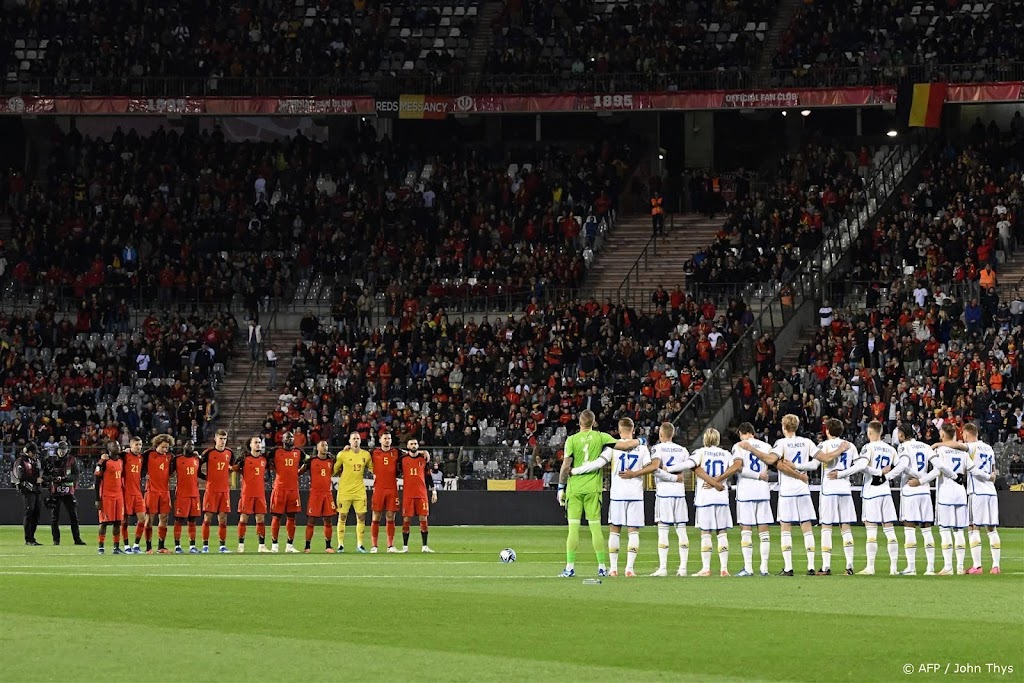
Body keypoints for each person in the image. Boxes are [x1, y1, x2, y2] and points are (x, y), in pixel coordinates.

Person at [570, 418, 658, 577]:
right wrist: (635, 474)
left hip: (617, 494)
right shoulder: (642, 447)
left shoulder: (614, 446)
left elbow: (597, 463)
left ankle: (613, 568)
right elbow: (651, 467)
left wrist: (575, 471)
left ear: (619, 430)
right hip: (635, 494)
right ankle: (630, 568)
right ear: (633, 429)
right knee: (633, 532)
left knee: (614, 531)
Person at [557, 409, 639, 578]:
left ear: (579, 423)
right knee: (595, 528)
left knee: (573, 528)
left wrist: (560, 487)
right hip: (593, 488)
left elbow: (566, 466)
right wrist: (640, 440)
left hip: (575, 488)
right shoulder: (601, 436)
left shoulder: (571, 440)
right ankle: (602, 567)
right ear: (593, 423)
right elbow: (625, 445)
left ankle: (570, 567)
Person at [736, 414, 816, 576]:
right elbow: (815, 463)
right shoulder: (807, 442)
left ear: (783, 427)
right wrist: (800, 471)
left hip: (787, 492)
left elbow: (774, 461)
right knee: (806, 528)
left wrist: (751, 449)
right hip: (803, 490)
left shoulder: (780, 443)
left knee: (785, 528)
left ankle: (788, 568)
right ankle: (811, 567)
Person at [909, 424, 970, 575]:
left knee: (945, 529)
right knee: (959, 530)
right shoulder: (963, 452)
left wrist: (920, 481)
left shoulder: (940, 450)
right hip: (961, 493)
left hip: (946, 494)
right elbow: (973, 469)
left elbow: (937, 470)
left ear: (942, 435)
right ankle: (960, 567)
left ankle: (948, 566)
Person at [649, 422, 694, 577]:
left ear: (661, 435)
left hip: (664, 493)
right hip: (680, 494)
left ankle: (663, 568)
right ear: (672, 434)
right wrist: (677, 477)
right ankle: (683, 568)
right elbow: (689, 467)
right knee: (681, 530)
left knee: (663, 530)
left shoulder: (657, 448)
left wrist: (671, 476)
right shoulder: (683, 450)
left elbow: (655, 470)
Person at [688, 428, 734, 577]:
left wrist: (712, 482)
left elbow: (694, 468)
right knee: (722, 532)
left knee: (706, 533)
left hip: (705, 498)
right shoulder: (726, 454)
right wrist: (718, 482)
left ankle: (706, 568)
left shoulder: (700, 452)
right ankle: (724, 568)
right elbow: (735, 467)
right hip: (721, 496)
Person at [856, 421, 900, 575]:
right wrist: (886, 475)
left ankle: (870, 567)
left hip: (871, 493)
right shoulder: (890, 449)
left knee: (871, 529)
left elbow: (862, 466)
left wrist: (878, 473)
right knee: (889, 529)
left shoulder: (868, 447)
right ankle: (893, 568)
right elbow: (900, 466)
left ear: (870, 433)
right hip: (886, 492)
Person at [817, 420, 861, 575]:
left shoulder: (824, 445)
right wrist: (844, 473)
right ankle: (849, 566)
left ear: (827, 430)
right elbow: (859, 465)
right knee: (845, 527)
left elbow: (814, 464)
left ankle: (826, 566)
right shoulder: (851, 446)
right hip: (845, 489)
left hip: (829, 490)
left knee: (826, 527)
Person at [731, 423, 776, 577]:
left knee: (746, 530)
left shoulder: (738, 446)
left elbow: (738, 467)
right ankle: (764, 568)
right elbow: (771, 463)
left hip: (746, 492)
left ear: (743, 433)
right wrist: (760, 476)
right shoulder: (766, 446)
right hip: (763, 491)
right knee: (763, 531)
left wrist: (756, 475)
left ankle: (748, 568)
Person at [893, 425, 937, 575]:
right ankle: (930, 568)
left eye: (898, 434)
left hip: (910, 489)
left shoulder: (903, 447)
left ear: (903, 435)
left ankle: (911, 567)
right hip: (925, 491)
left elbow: (903, 467)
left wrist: (917, 478)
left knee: (909, 528)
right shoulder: (925, 446)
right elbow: (938, 468)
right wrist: (923, 479)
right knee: (926, 528)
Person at [963, 423, 1000, 574]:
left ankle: (977, 566)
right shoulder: (989, 448)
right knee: (991, 529)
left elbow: (958, 447)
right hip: (991, 492)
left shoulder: (972, 447)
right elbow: (994, 472)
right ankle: (996, 566)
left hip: (977, 492)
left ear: (966, 434)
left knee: (973, 527)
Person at [333, 432, 372, 553]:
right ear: (349, 441)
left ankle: (360, 545)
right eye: (353, 439)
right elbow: (333, 470)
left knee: (361, 516)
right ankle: (340, 544)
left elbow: (373, 470)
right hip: (344, 490)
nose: (355, 441)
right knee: (342, 516)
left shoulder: (366, 455)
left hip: (359, 490)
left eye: (357, 439)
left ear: (360, 441)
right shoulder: (342, 455)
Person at [399, 439, 437, 553]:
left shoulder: (423, 459)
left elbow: (429, 477)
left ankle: (424, 546)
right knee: (406, 519)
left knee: (423, 518)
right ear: (407, 446)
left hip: (421, 494)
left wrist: (434, 491)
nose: (413, 445)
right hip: (408, 494)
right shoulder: (402, 459)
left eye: (415, 444)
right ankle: (405, 547)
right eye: (411, 444)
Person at [298, 440, 336, 553]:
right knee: (311, 520)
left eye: (326, 445)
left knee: (328, 520)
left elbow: (339, 469)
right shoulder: (311, 461)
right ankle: (307, 546)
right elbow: (299, 472)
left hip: (327, 494)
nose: (325, 447)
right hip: (315, 494)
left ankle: (328, 546)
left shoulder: (332, 460)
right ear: (317, 448)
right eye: (323, 445)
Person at [199, 429, 233, 553]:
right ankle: (205, 546)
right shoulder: (208, 452)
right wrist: (205, 477)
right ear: (215, 439)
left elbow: (231, 467)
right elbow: (197, 465)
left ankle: (222, 546)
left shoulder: (229, 452)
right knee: (208, 518)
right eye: (221, 439)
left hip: (224, 490)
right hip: (211, 490)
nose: (223, 441)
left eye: (225, 439)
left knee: (223, 518)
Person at [269, 432, 303, 553]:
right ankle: (274, 544)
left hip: (293, 489)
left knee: (292, 517)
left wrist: (299, 472)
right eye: (287, 438)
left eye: (291, 438)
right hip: (280, 489)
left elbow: (308, 461)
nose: (290, 440)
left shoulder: (298, 452)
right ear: (282, 440)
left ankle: (289, 545)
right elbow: (265, 459)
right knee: (277, 516)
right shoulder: (275, 451)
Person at [47, 440, 86, 546]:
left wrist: (64, 478)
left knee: (74, 516)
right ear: (57, 450)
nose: (62, 452)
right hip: (55, 492)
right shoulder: (52, 460)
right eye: (60, 449)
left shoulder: (72, 460)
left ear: (67, 450)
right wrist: (52, 477)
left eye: (64, 450)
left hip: (68, 492)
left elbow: (76, 475)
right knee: (54, 518)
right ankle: (56, 540)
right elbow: (46, 474)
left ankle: (77, 539)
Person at [237, 437, 270, 553]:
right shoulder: (244, 459)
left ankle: (261, 546)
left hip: (260, 493)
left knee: (260, 518)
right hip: (247, 493)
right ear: (250, 445)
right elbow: (236, 468)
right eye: (256, 442)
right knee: (244, 518)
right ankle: (241, 545)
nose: (258, 445)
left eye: (259, 442)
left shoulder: (264, 460)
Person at [369, 432, 401, 553]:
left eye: (389, 438)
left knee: (390, 516)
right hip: (379, 488)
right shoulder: (373, 452)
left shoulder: (397, 452)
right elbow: (360, 455)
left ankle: (390, 545)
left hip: (392, 488)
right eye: (385, 438)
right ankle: (374, 546)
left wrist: (424, 452)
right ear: (380, 440)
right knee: (376, 516)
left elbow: (411, 453)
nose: (387, 440)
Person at [143, 434, 174, 554]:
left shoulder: (170, 457)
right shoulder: (148, 454)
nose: (165, 450)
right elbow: (137, 461)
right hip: (152, 491)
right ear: (157, 445)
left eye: (167, 447)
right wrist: (145, 473)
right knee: (150, 518)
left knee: (164, 518)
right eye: (163, 447)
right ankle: (148, 547)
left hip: (164, 491)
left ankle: (161, 546)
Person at [94, 442, 125, 554]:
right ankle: (101, 547)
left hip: (118, 496)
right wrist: (97, 499)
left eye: (118, 445)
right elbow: (97, 481)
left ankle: (116, 547)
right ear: (109, 448)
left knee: (117, 522)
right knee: (104, 522)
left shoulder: (121, 461)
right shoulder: (103, 462)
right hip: (106, 496)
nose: (118, 447)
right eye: (115, 445)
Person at [172, 441, 202, 554]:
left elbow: (199, 474)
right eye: (188, 444)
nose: (190, 446)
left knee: (192, 520)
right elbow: (169, 471)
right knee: (179, 520)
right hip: (182, 495)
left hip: (194, 494)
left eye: (192, 445)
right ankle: (177, 546)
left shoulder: (196, 459)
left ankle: (192, 546)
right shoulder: (177, 459)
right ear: (184, 446)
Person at [13, 442, 43, 546]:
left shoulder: (35, 461)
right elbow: (21, 476)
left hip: (36, 490)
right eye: (33, 452)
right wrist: (36, 480)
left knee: (36, 514)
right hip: (27, 490)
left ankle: (32, 537)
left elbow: (38, 474)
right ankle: (28, 539)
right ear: (27, 452)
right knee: (29, 512)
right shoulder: (20, 461)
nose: (34, 454)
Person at [122, 437, 146, 553]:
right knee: (124, 521)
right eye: (136, 444)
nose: (138, 447)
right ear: (130, 445)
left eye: (140, 444)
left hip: (137, 493)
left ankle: (136, 545)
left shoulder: (142, 458)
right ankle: (126, 546)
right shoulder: (124, 456)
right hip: (126, 493)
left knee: (142, 519)